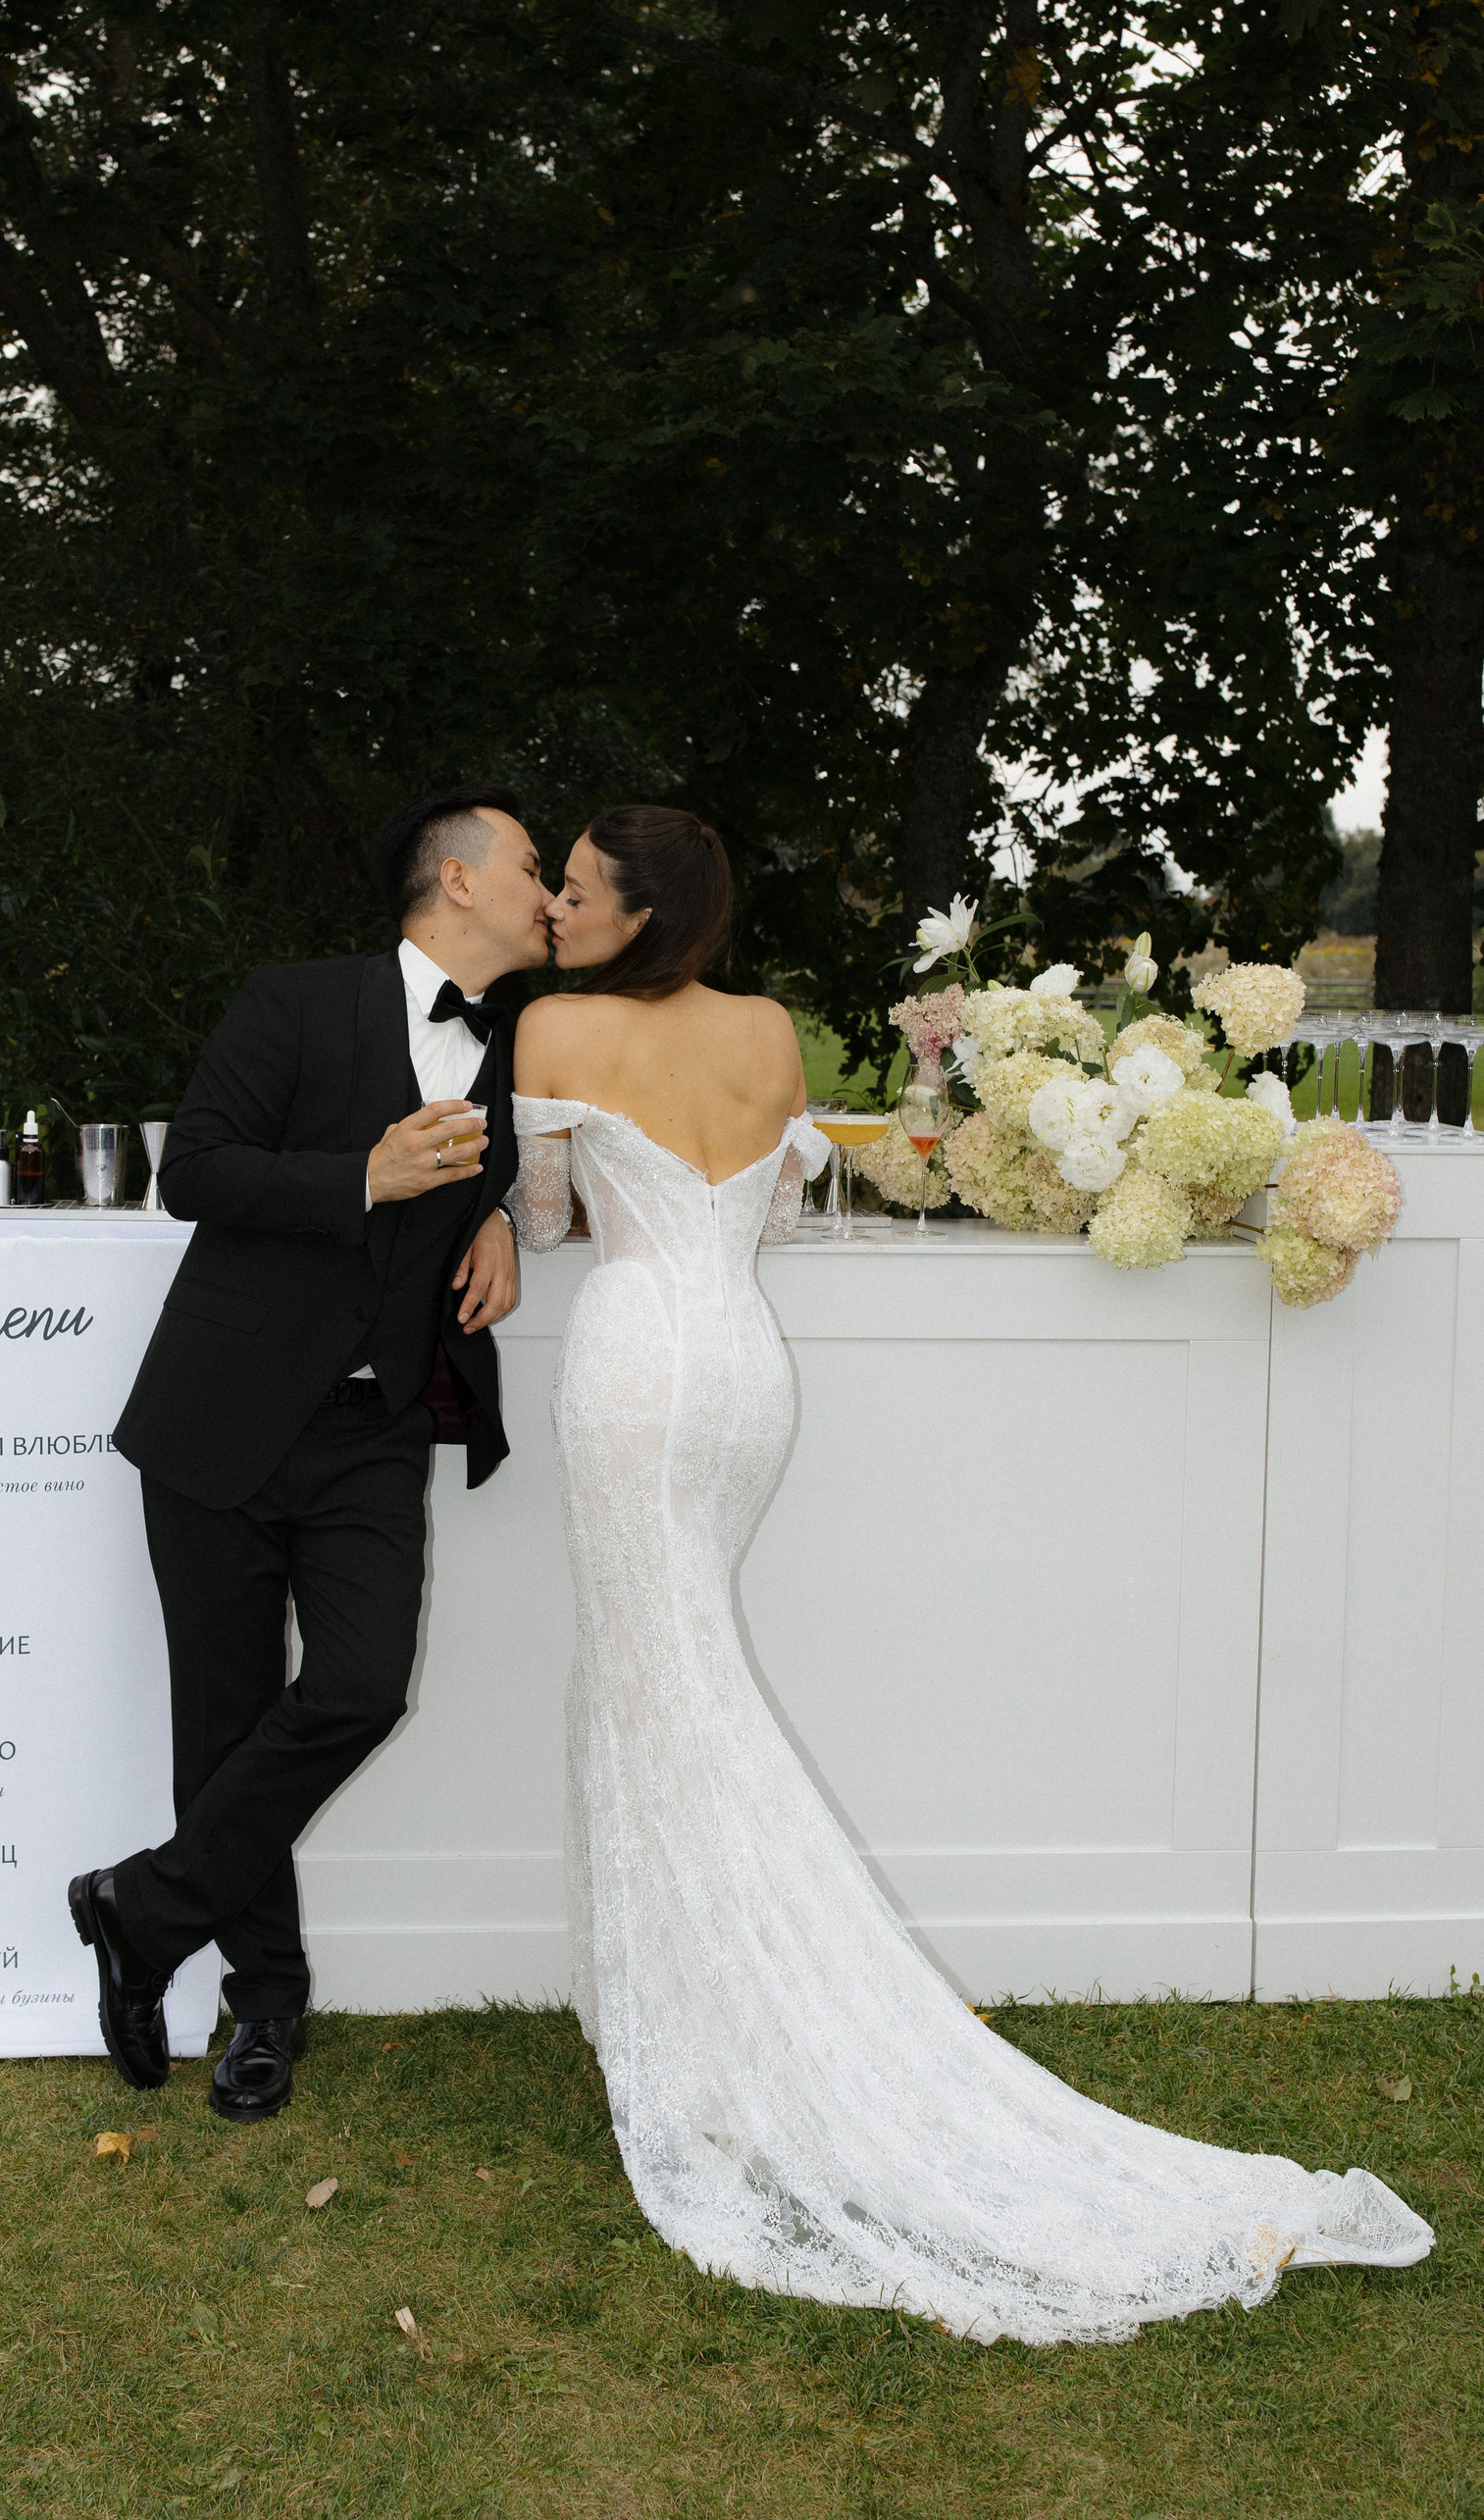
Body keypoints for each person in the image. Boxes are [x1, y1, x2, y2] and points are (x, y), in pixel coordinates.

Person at [505, 801, 1433, 2347]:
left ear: (640, 914)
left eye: (580, 890)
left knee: (667, 1695)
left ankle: (787, 2039)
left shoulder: (556, 1028)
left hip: (636, 1367)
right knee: (669, 1686)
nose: (555, 909)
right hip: (745, 1374)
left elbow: (548, 1220)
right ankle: (703, 2023)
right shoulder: (767, 1031)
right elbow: (776, 1212)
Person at [71, 785, 551, 2117]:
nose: (550, 894)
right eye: (530, 866)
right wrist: (360, 1177)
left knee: (360, 1685)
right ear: (458, 880)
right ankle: (264, 2006)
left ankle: (140, 1909)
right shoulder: (294, 1000)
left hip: (371, 1429)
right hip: (219, 1415)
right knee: (223, 1722)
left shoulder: (528, 1040)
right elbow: (197, 1171)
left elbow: (520, 1163)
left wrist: (500, 1212)